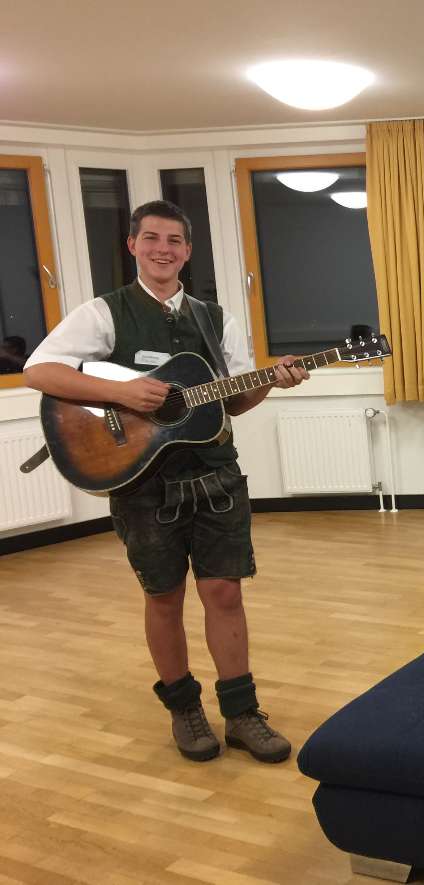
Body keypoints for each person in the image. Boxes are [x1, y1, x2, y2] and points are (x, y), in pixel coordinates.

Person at [23, 200, 306, 765]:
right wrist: (120, 392)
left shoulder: (215, 318)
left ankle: (242, 714)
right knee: (165, 596)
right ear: (132, 245)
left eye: (175, 240)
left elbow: (231, 402)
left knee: (224, 592)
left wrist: (272, 382)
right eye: (151, 238)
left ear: (188, 251)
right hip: (142, 483)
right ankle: (184, 708)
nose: (163, 249)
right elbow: (39, 371)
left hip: (215, 474)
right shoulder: (103, 313)